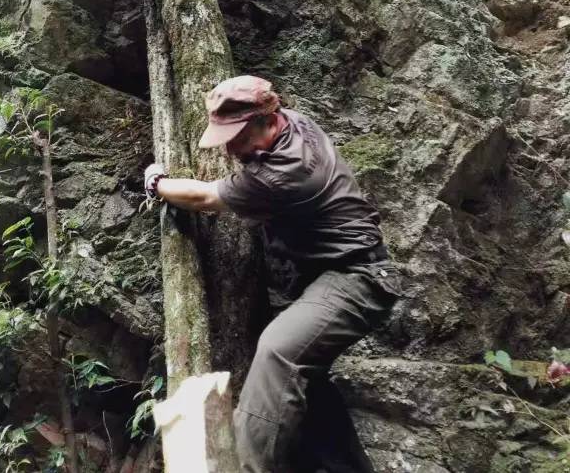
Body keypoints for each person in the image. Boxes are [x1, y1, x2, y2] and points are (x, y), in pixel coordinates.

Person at [144, 75, 402, 473]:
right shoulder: (293, 122)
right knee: (308, 391)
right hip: (332, 275)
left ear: (267, 122)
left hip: (358, 277)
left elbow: (204, 197)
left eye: (237, 138)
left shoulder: (286, 172)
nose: (230, 149)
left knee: (279, 351)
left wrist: (158, 183)